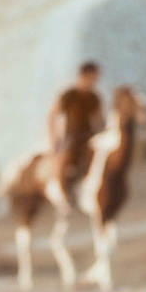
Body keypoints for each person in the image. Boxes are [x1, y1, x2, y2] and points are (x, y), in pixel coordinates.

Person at [44, 62, 105, 208]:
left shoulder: (94, 97)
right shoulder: (69, 95)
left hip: (90, 137)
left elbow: (100, 121)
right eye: (93, 77)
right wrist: (53, 138)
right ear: (85, 75)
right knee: (62, 162)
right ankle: (64, 196)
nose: (95, 80)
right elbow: (52, 116)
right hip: (71, 137)